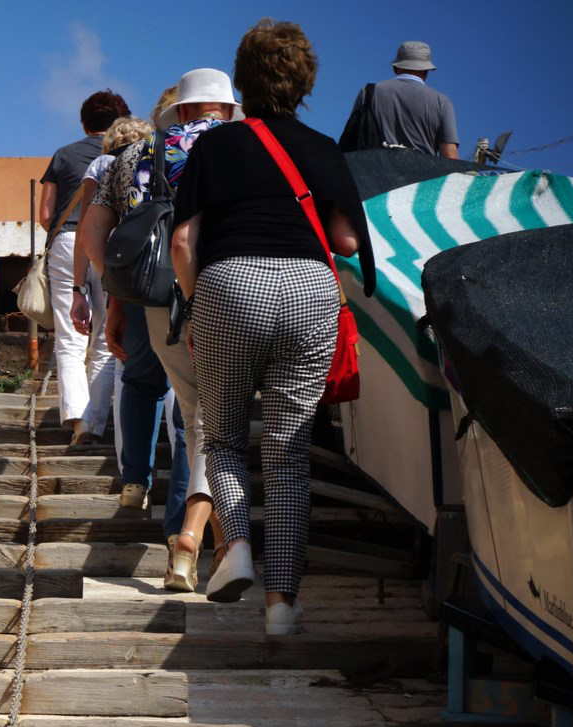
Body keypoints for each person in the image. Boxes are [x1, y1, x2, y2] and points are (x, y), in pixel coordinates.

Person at [172, 19, 375, 635]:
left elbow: (183, 242)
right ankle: (282, 604)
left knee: (224, 439)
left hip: (230, 285)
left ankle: (234, 548)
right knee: (288, 454)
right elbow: (345, 240)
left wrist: (196, 307)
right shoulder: (324, 149)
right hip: (309, 291)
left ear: (242, 83)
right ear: (305, 83)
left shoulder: (214, 147)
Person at [80, 69, 243, 592]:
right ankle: (193, 539)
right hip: (228, 286)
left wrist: (117, 302)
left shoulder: (134, 154)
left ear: (182, 109)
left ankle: (208, 541)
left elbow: (94, 234)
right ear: (226, 108)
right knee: (218, 422)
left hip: (156, 298)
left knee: (195, 415)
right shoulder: (243, 145)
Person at [39, 90, 130, 426]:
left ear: (84, 122)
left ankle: (76, 415)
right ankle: (95, 424)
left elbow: (45, 215)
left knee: (69, 338)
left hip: (67, 242)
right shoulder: (128, 155)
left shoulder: (63, 155)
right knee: (108, 336)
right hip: (112, 242)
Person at [70, 115, 152, 447]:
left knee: (105, 345)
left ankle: (92, 425)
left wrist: (80, 285)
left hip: (107, 257)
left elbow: (87, 224)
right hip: (146, 259)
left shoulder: (102, 163)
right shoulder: (154, 160)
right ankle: (127, 434)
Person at [338, 40, 458, 159]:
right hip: (422, 171)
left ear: (395, 67)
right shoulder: (442, 102)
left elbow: (351, 137)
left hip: (373, 168)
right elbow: (450, 156)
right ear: (426, 71)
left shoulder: (369, 92)